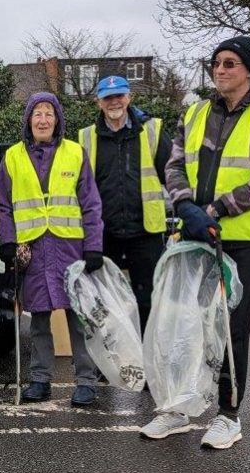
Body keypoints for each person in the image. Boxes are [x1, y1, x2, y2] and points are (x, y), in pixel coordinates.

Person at [141, 35, 250, 450]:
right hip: (192, 234)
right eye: (216, 64)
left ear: (249, 71)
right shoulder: (195, 112)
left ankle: (228, 414)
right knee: (181, 326)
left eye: (229, 64)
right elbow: (174, 166)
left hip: (239, 239)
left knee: (230, 330)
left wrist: (216, 210)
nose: (220, 70)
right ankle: (177, 408)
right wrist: (187, 207)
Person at [0, 92, 104, 407]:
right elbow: (3, 205)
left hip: (70, 248)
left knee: (78, 318)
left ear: (57, 120)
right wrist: (8, 241)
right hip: (33, 251)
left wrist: (94, 246)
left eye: (48, 113)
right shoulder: (12, 156)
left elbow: (91, 204)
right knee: (39, 319)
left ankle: (85, 381)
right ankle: (40, 380)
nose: (43, 119)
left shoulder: (75, 153)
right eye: (37, 113)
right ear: (28, 120)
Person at [77, 76, 171, 334]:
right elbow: (80, 190)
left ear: (129, 98)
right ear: (98, 102)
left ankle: (149, 360)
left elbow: (174, 176)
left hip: (146, 232)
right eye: (108, 97)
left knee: (148, 301)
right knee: (107, 302)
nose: (114, 102)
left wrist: (186, 215)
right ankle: (113, 363)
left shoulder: (152, 130)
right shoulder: (86, 138)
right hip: (105, 234)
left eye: (119, 96)